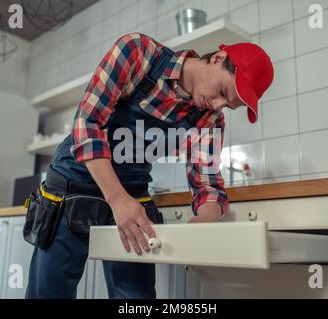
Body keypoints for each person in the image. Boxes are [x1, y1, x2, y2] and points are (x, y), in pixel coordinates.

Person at [25, 32, 274, 299]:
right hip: (74, 182)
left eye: (228, 105)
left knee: (137, 299)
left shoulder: (210, 119)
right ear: (217, 58)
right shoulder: (138, 53)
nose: (217, 105)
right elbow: (87, 124)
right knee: (49, 293)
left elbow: (208, 184)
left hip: (132, 192)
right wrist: (118, 200)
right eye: (223, 92)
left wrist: (204, 222)